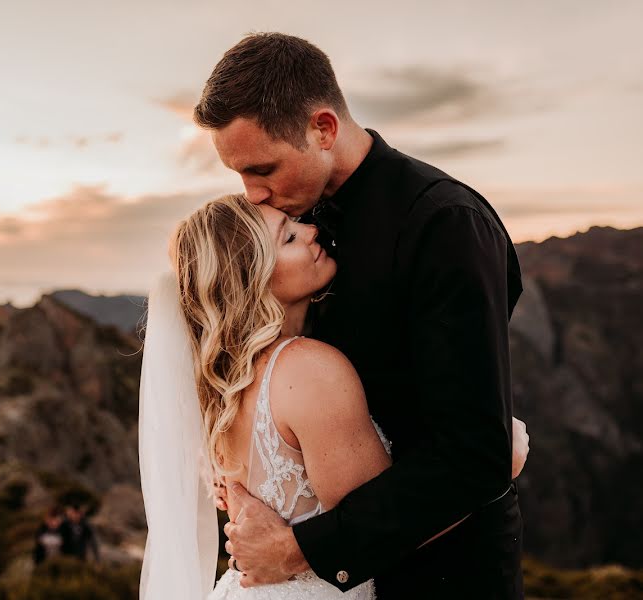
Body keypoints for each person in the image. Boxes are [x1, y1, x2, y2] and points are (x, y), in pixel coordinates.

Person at [190, 32, 526, 599]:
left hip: (443, 576)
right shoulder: (290, 229)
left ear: (323, 128)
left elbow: (472, 454)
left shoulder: (444, 225)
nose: (251, 195)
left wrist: (300, 549)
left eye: (262, 168)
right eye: (239, 174)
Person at [138, 195, 529, 599]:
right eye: (288, 237)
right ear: (253, 277)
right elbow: (396, 530)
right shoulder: (308, 370)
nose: (311, 231)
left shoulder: (222, 382)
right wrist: (496, 463)